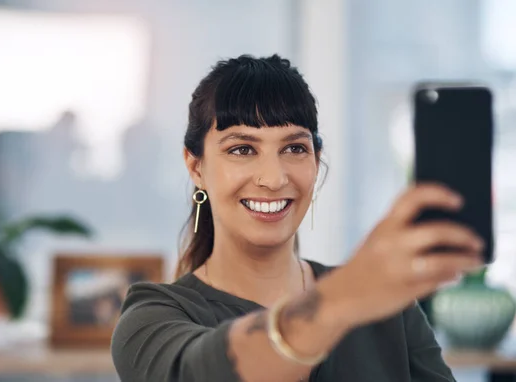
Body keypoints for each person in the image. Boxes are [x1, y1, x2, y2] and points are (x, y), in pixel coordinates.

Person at [111, 54, 484, 381]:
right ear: (196, 167)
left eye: (294, 148)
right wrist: (343, 298)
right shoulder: (151, 317)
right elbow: (200, 373)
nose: (274, 179)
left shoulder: (392, 311)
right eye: (242, 149)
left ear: (316, 162)